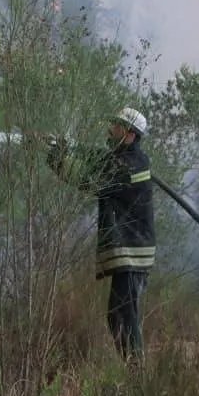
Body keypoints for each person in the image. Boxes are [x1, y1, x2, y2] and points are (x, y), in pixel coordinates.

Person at [46, 108, 155, 359]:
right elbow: (94, 156)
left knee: (123, 316)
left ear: (128, 133)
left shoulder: (129, 166)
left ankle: (137, 375)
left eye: (115, 126)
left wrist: (59, 158)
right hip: (130, 250)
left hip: (133, 252)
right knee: (117, 316)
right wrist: (65, 145)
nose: (110, 129)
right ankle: (134, 370)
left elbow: (89, 181)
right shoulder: (124, 159)